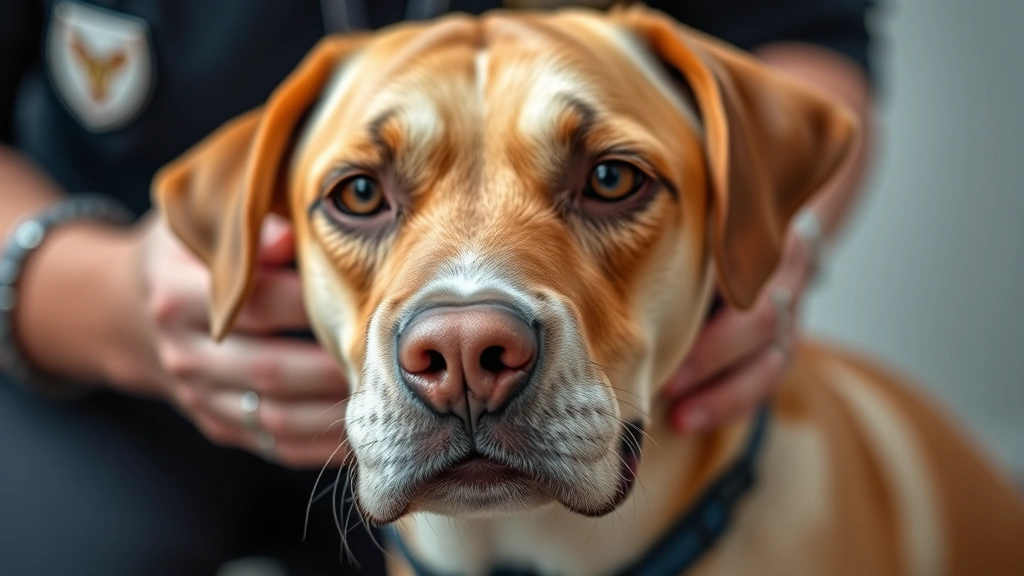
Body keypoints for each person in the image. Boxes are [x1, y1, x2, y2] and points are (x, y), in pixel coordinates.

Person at [0, 1, 875, 574]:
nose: (466, 339)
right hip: (97, 369)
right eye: (360, 194)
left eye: (610, 181)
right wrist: (100, 297)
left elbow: (804, 34)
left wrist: (768, 235)